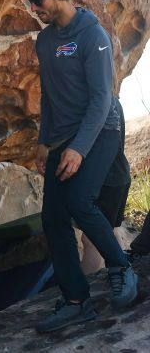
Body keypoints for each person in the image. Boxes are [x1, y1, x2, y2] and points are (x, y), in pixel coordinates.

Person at [25, 0, 138, 334]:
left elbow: (101, 98)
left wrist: (79, 149)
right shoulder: (44, 41)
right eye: (30, 0)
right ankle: (75, 300)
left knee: (80, 200)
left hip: (101, 128)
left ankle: (122, 267)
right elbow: (50, 97)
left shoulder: (92, 35)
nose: (33, 7)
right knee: (52, 217)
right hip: (63, 135)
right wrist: (45, 141)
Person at [80, 98, 131, 275]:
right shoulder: (115, 101)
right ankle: (128, 271)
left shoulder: (98, 104)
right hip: (120, 175)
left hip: (106, 180)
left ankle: (84, 292)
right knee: (112, 230)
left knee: (91, 239)